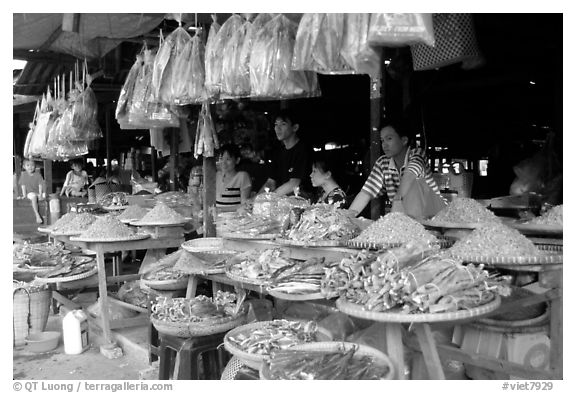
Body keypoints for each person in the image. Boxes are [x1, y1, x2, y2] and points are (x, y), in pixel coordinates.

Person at [348, 121, 445, 217]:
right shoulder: (382, 163)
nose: (384, 145)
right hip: (409, 221)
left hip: (436, 217)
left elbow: (411, 172)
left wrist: (397, 199)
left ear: (404, 140)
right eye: (382, 140)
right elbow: (366, 193)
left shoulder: (417, 154)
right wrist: (348, 216)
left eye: (389, 139)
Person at [259, 109, 313, 197]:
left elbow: (294, 183)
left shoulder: (303, 150)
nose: (277, 128)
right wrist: (256, 200)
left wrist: (270, 198)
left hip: (303, 201)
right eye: (276, 124)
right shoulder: (278, 152)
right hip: (282, 201)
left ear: (295, 127)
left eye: (283, 124)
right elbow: (270, 182)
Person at [216, 144, 252, 211]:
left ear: (237, 160)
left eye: (228, 159)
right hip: (216, 219)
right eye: (221, 158)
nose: (223, 162)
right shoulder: (216, 176)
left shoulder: (242, 176)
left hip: (234, 219)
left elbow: (244, 205)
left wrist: (219, 209)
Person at [18, 159, 45, 224]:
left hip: (38, 192)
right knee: (34, 197)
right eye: (28, 165)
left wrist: (41, 195)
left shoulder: (38, 174)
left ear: (35, 166)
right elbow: (23, 186)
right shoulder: (23, 175)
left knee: (47, 195)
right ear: (24, 167)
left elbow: (40, 185)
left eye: (32, 165)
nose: (30, 167)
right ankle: (37, 215)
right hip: (30, 193)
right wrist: (24, 195)